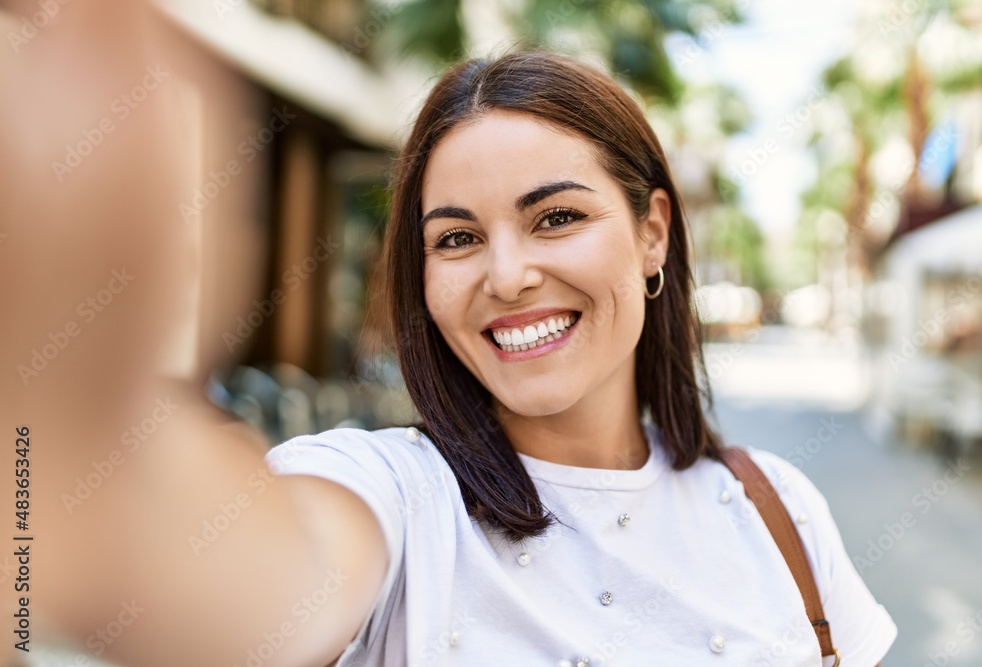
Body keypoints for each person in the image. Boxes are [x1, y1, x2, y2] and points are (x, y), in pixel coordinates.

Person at [262, 51, 898, 666]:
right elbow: (264, 579)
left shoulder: (780, 508)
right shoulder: (394, 496)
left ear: (652, 233)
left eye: (556, 217)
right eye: (457, 238)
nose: (507, 278)